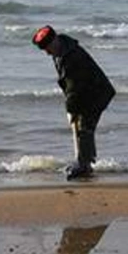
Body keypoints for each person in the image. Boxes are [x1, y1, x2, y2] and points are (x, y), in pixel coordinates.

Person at [31, 26, 115, 181]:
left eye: (48, 48)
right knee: (82, 125)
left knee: (84, 127)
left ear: (55, 40)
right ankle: (85, 162)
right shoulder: (60, 50)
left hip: (97, 92)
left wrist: (71, 108)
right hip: (85, 91)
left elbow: (75, 86)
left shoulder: (72, 56)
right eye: (44, 50)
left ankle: (84, 164)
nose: (47, 53)